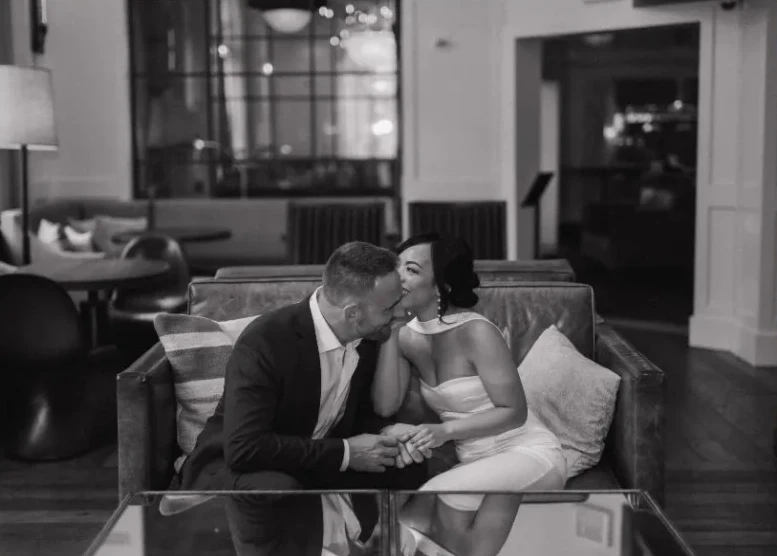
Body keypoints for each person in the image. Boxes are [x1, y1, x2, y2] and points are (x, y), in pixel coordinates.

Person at [178, 241, 430, 553]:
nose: (400, 313)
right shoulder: (267, 341)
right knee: (284, 491)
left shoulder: (365, 335)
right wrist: (346, 453)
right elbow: (245, 448)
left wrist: (387, 432)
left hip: (311, 460)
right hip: (243, 466)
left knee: (410, 466)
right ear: (352, 313)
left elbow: (360, 411)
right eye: (389, 308)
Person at [372, 232, 567, 556]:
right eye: (397, 267)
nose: (398, 277)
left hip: (527, 451)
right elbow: (386, 404)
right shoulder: (406, 337)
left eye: (412, 270)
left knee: (437, 495)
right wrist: (391, 331)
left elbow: (513, 411)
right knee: (404, 522)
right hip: (476, 464)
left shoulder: (476, 331)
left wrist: (444, 431)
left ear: (441, 286)